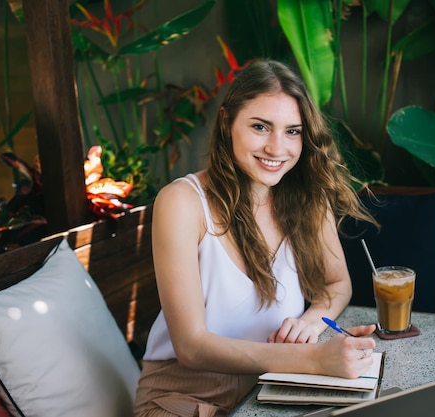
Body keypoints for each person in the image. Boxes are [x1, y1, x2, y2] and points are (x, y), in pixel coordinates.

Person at [134, 59, 378, 417]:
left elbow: (337, 282)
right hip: (184, 396)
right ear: (227, 122)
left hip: (272, 387)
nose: (277, 148)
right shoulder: (182, 202)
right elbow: (191, 347)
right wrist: (311, 359)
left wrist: (309, 324)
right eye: (261, 127)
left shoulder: (308, 197)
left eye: (293, 131)